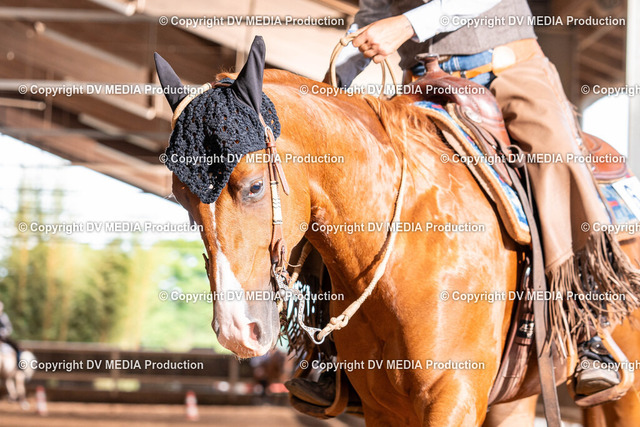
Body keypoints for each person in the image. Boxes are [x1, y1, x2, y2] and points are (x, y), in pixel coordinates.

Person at [289, 0, 640, 405]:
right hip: (419, 86)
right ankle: (331, 345)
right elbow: (374, 12)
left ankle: (588, 329)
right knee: (345, 176)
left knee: (555, 157)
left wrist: (406, 25)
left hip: (507, 73)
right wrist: (335, 82)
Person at [0, 301, 21, 368]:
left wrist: (3, 332)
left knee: (16, 347)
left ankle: (19, 366)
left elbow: (9, 328)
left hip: (3, 338)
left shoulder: (4, 317)